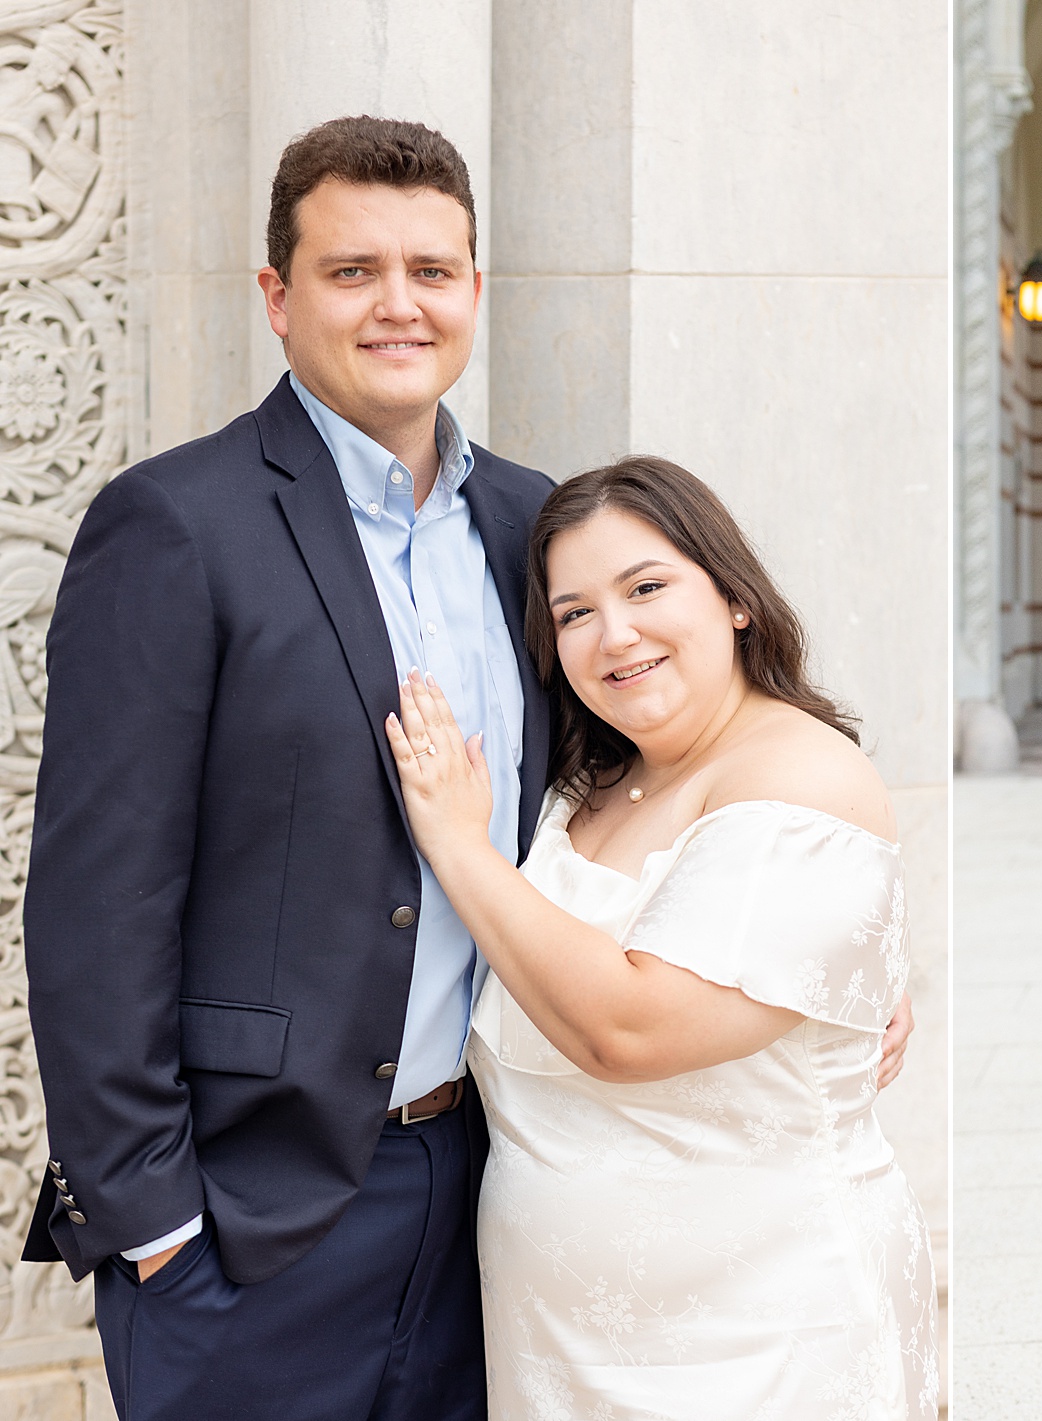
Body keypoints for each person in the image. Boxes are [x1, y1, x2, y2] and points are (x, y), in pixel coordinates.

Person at [21, 114, 914, 1419]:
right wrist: (157, 1227)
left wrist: (845, 959)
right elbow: (98, 900)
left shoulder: (533, 530)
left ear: (476, 293)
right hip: (252, 1220)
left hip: (490, 1192)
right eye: (353, 271)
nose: (400, 305)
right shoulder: (176, 526)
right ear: (277, 296)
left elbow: (666, 785)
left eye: (433, 272)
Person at [381, 456, 938, 1419]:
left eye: (646, 587)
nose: (616, 633)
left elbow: (630, 1030)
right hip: (558, 1348)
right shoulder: (581, 783)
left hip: (764, 1345)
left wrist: (457, 848)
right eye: (574, 611)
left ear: (733, 597)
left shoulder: (805, 776)